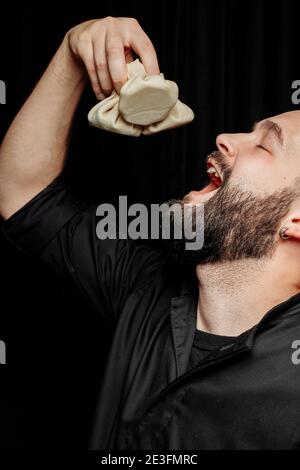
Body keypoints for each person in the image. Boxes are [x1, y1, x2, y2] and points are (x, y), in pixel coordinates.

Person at [1, 17, 300, 450]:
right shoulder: (149, 286)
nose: (224, 138)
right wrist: (72, 52)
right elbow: (27, 199)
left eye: (265, 145)